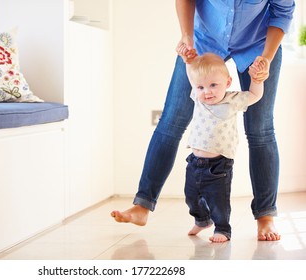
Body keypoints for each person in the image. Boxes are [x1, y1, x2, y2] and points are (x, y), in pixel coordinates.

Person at [111, 0, 295, 241]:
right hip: (203, 41)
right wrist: (186, 37)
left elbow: (282, 12)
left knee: (261, 129)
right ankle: (142, 206)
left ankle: (265, 215)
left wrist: (267, 59)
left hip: (258, 46)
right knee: (171, 121)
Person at [180, 51, 264, 242]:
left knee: (218, 201)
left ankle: (222, 229)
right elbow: (191, 74)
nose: (207, 92)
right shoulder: (198, 98)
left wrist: (256, 79)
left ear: (227, 83)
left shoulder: (232, 99)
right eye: (201, 87)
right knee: (191, 196)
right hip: (194, 162)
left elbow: (255, 95)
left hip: (219, 165)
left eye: (213, 85)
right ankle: (202, 220)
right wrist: (187, 60)